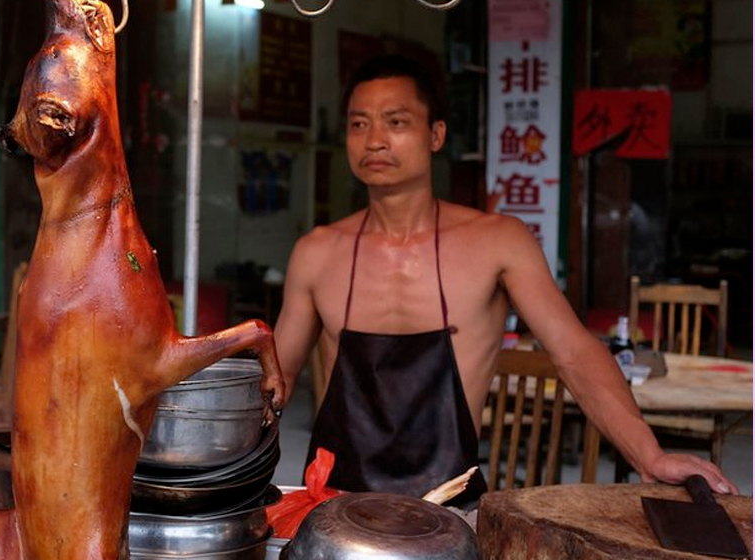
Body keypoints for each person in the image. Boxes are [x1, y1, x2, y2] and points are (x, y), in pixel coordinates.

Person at [272, 54, 735, 508]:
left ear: (436, 135)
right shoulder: (317, 252)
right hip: (334, 511)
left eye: (395, 122)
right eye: (358, 124)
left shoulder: (497, 242)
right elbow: (277, 379)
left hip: (450, 511)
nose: (374, 140)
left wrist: (649, 455)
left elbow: (574, 353)